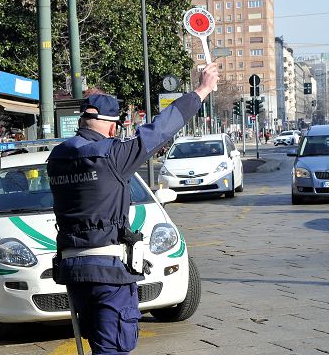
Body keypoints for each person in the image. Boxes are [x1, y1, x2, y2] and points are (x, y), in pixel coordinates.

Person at [47, 63, 219, 354]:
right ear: (113, 126)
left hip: (72, 269)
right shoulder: (113, 154)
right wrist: (201, 91)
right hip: (108, 271)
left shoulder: (57, 156)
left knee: (97, 343)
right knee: (114, 347)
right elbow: (162, 128)